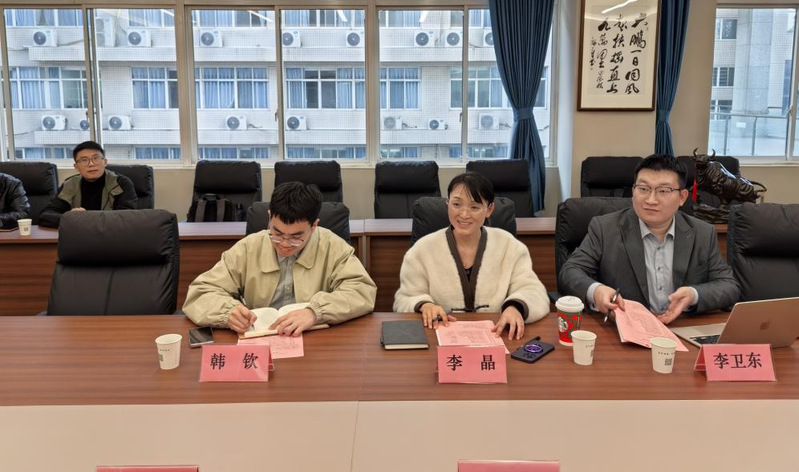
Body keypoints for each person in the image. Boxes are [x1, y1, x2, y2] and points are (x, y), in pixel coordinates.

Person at [558, 153, 740, 325]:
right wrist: (597, 291)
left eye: (663, 191)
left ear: (682, 197)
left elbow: (729, 286)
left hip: (680, 328)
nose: (651, 200)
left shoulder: (702, 233)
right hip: (625, 328)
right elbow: (570, 272)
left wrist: (693, 295)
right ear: (633, 191)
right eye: (643, 189)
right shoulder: (605, 228)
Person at [183, 181, 376, 336]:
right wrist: (228, 312)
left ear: (314, 225)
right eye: (277, 233)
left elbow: (361, 291)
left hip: (314, 339)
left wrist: (315, 312)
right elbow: (201, 293)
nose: (284, 243)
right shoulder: (249, 247)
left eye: (296, 237)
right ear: (269, 217)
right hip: (258, 338)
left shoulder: (333, 246)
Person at [394, 171, 550, 339]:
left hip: (497, 336)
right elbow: (403, 299)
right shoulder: (422, 250)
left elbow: (534, 292)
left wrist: (515, 308)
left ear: (489, 210)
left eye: (474, 207)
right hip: (439, 337)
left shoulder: (509, 246)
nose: (464, 214)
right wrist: (424, 305)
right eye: (456, 204)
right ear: (447, 204)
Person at [38, 141, 137, 228]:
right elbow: (46, 216)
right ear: (76, 167)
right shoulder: (69, 184)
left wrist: (86, 219)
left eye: (96, 158)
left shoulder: (121, 183)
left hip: (111, 236)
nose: (91, 164)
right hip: (80, 237)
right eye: (84, 160)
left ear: (105, 162)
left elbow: (127, 218)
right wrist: (71, 218)